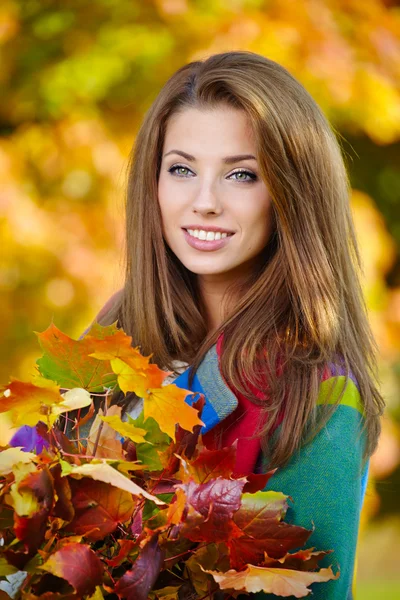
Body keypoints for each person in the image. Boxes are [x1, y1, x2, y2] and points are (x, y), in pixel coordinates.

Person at [80, 51, 384, 599]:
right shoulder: (117, 332)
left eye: (241, 175)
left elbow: (305, 589)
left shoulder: (318, 392)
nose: (204, 202)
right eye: (181, 169)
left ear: (292, 194)